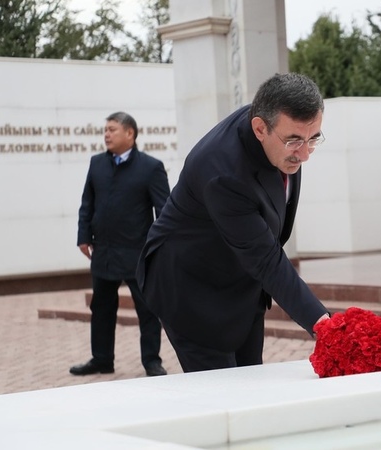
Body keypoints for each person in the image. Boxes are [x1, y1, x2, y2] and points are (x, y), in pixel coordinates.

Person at [136, 73, 330, 373]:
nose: (304, 154)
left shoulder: (277, 131)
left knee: (251, 377)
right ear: (260, 128)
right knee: (222, 389)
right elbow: (265, 259)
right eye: (294, 141)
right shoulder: (222, 172)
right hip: (190, 287)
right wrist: (324, 326)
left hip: (240, 277)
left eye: (313, 139)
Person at [71, 112, 170, 377]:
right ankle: (101, 359)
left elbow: (165, 211)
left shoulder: (150, 167)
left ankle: (152, 361)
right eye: (105, 129)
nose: (106, 134)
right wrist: (83, 236)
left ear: (130, 133)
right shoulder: (97, 164)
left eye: (112, 129)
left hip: (138, 253)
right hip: (104, 251)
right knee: (101, 308)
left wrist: (159, 247)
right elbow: (87, 203)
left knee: (147, 310)